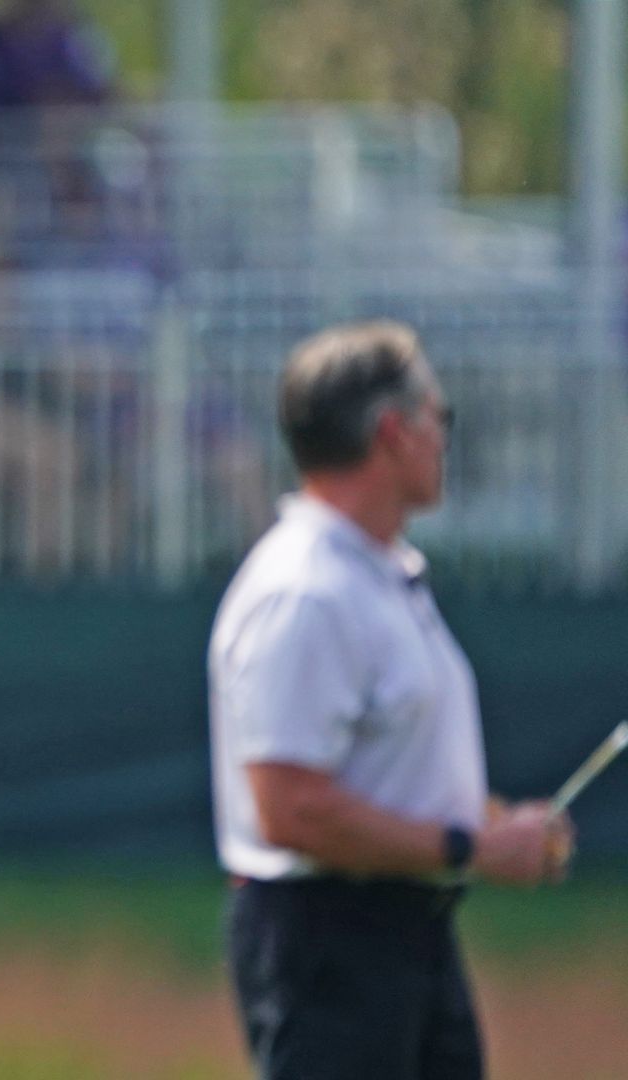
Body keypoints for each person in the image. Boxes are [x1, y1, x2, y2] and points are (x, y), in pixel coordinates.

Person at [208, 320, 573, 1079]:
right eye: (438, 417)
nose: (444, 436)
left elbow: (380, 770)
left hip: (404, 929)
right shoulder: (307, 591)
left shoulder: (375, 574)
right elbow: (291, 809)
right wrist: (470, 849)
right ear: (392, 432)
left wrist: (495, 824)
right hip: (332, 939)